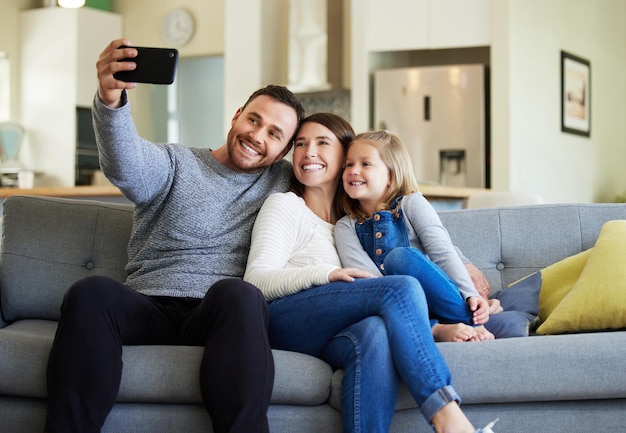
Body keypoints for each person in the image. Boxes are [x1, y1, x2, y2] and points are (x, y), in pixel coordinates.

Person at [43, 39, 305, 433]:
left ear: (285, 149)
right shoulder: (174, 163)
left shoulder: (284, 183)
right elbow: (124, 162)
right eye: (254, 120)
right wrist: (110, 96)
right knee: (91, 291)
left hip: (218, 313)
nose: (257, 136)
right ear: (236, 116)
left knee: (241, 294)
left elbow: (343, 175)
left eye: (274, 133)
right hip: (147, 304)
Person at [244, 113, 498, 433]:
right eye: (300, 144)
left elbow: (433, 243)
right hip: (290, 320)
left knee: (376, 333)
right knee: (398, 287)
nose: (308, 152)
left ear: (343, 156)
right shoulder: (285, 205)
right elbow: (256, 281)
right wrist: (327, 273)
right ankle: (449, 419)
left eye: (323, 143)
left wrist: (470, 274)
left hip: (337, 330)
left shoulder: (348, 221)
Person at [334, 130, 496, 342]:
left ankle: (469, 321)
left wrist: (470, 295)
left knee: (401, 258)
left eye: (365, 164)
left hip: (439, 297)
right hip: (398, 306)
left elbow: (443, 252)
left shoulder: (412, 204)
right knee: (382, 287)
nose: (353, 170)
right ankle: (436, 329)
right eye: (348, 164)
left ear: (391, 175)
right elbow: (369, 281)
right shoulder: (345, 227)